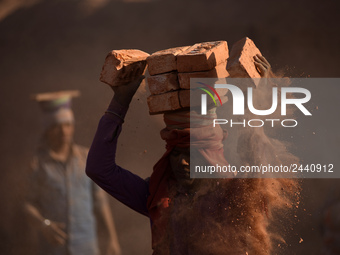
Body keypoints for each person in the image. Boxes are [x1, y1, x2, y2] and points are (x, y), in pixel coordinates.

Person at [86, 55, 298, 254]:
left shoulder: (234, 195)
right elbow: (99, 169)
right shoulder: (160, 195)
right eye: (176, 153)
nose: (183, 162)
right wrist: (120, 103)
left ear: (212, 155)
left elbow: (259, 162)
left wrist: (262, 98)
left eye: (193, 153)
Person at [24, 90, 121, 255]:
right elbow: (27, 204)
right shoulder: (38, 165)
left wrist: (113, 239)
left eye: (67, 125)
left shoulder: (87, 158)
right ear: (47, 129)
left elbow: (100, 202)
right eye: (56, 126)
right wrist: (44, 225)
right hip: (53, 248)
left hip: (87, 247)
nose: (64, 132)